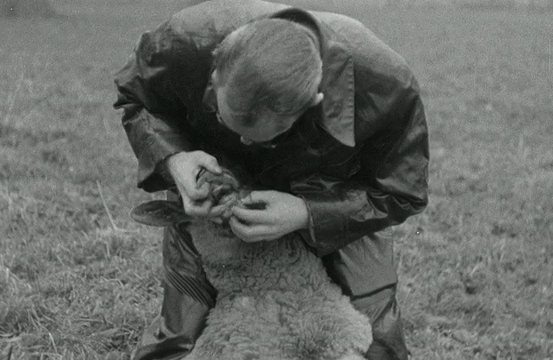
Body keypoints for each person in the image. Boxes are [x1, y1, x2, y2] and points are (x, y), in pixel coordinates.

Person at [113, 1, 429, 359]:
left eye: (264, 136)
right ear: (215, 72)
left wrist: (308, 213)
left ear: (315, 101)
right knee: (180, 336)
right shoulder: (185, 41)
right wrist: (174, 160)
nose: (245, 143)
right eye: (225, 117)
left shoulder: (385, 83)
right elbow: (135, 96)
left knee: (372, 338)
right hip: (214, 199)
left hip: (338, 201)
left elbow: (403, 192)